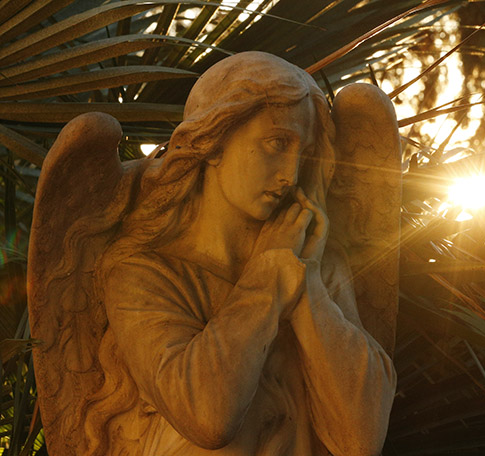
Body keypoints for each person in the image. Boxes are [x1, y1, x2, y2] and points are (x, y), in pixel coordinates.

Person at [81, 52, 396, 455]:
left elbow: (361, 438)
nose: (291, 173)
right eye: (277, 143)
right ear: (213, 142)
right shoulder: (141, 272)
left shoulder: (318, 263)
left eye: (305, 151)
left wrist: (307, 284)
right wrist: (267, 276)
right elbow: (208, 417)